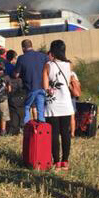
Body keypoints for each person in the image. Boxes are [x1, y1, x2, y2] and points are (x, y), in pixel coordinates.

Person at [43, 40, 75, 171]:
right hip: (66, 103)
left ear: (52, 51)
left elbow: (44, 86)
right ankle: (65, 161)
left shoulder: (48, 65)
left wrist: (49, 88)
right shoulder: (70, 65)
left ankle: (56, 162)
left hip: (53, 104)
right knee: (65, 134)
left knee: (54, 134)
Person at [14, 39, 49, 124]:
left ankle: (26, 125)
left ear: (23, 48)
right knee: (40, 108)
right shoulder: (43, 56)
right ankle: (41, 126)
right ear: (31, 45)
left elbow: (16, 75)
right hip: (42, 86)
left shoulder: (21, 58)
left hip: (30, 87)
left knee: (26, 106)